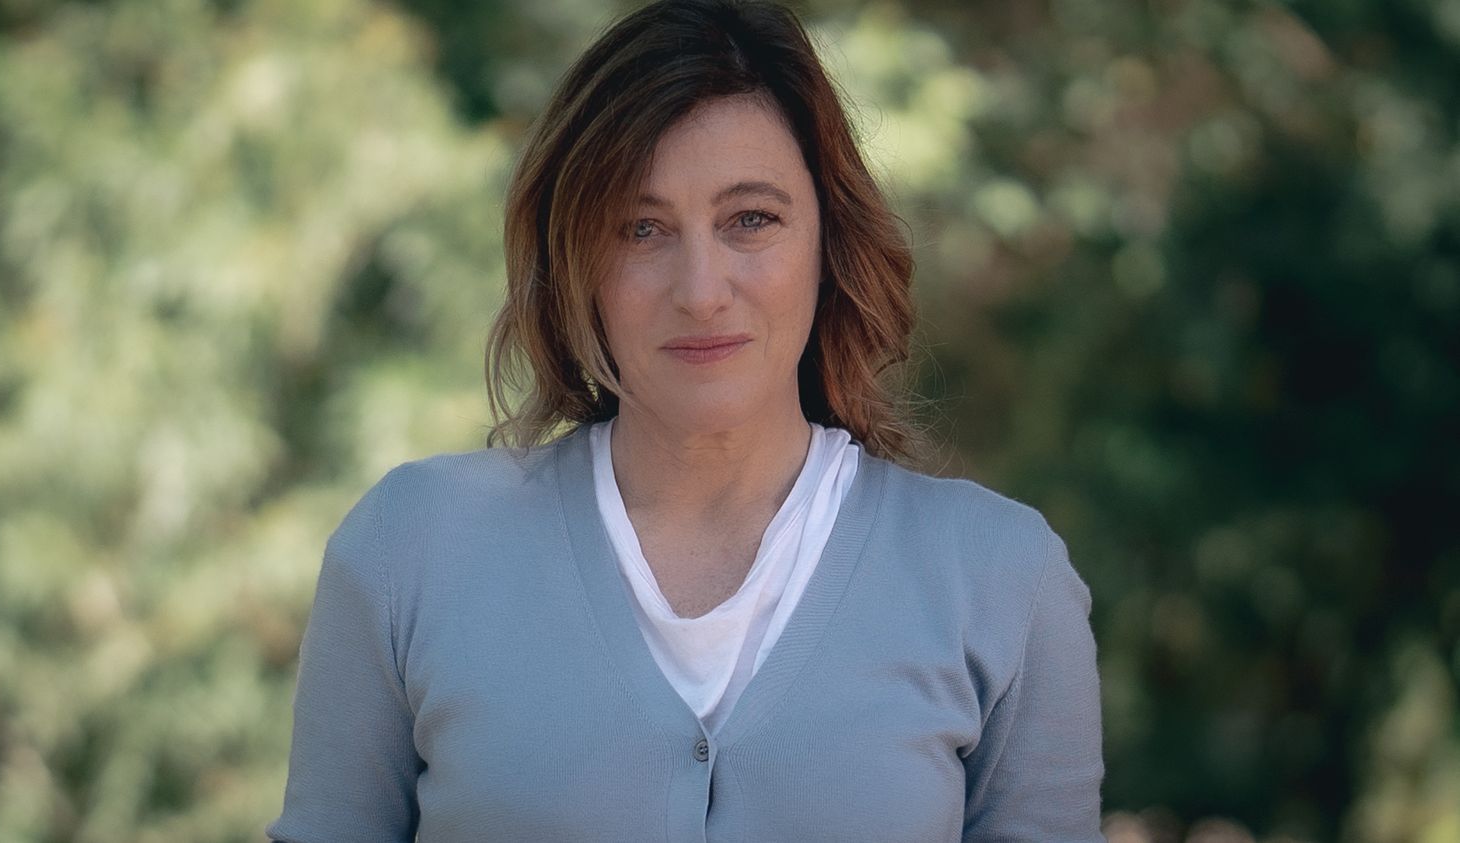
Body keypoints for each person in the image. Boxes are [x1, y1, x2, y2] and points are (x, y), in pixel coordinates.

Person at [266, 0, 1105, 840]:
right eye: (641, 228)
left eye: (752, 220)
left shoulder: (1004, 583)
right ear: (575, 263)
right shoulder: (409, 550)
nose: (701, 289)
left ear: (829, 242)